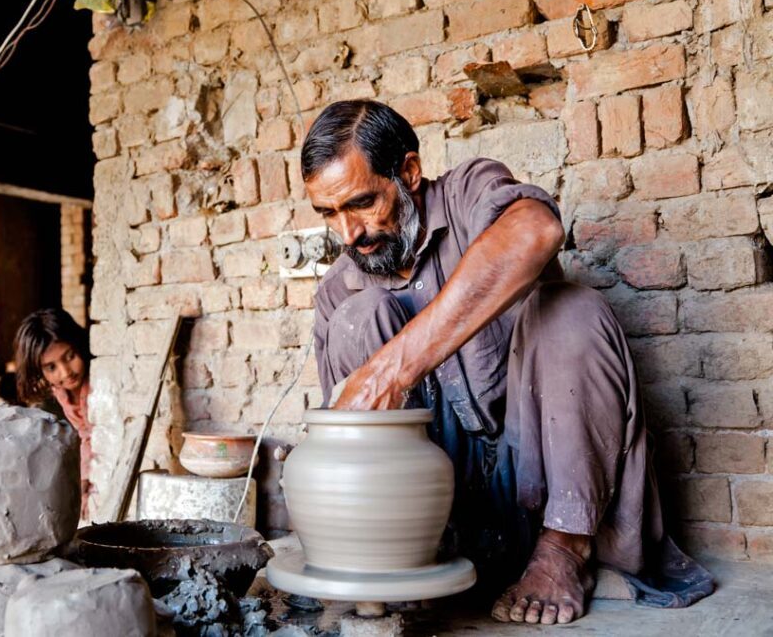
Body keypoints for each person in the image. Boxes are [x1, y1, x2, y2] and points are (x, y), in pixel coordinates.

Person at [302, 100, 713, 625]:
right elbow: (341, 452)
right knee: (360, 316)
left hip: (546, 481)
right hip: (433, 516)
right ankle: (402, 558)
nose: (348, 233)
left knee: (571, 309)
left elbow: (535, 230)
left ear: (408, 171)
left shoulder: (468, 192)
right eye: (328, 214)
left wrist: (393, 368)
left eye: (360, 203)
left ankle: (565, 551)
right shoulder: (340, 287)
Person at [14, 308, 94, 520]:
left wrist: (86, 478)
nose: (66, 372)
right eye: (51, 367)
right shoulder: (54, 399)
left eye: (70, 356)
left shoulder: (99, 383)